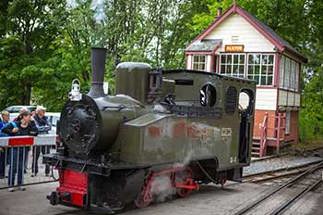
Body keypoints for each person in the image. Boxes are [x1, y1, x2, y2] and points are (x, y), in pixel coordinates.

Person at [2, 110, 38, 192]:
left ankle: (20, 184)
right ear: (23, 117)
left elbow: (36, 132)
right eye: (29, 116)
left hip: (25, 149)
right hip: (15, 149)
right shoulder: (15, 124)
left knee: (21, 167)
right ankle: (10, 185)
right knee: (13, 166)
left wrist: (33, 123)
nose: (30, 118)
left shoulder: (29, 125)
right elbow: (3, 129)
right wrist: (12, 132)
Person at [32, 106, 51, 177]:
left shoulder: (46, 118)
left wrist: (42, 128)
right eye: (43, 111)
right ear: (39, 112)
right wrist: (45, 128)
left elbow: (49, 126)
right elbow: (36, 128)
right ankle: (34, 171)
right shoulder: (34, 118)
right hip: (37, 139)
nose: (44, 112)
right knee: (35, 156)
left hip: (45, 139)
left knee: (47, 155)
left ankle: (47, 172)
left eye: (44, 111)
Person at [0, 111, 10, 179]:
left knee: (5, 160)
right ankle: (1, 173)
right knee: (1, 160)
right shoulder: (0, 124)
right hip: (1, 144)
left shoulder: (9, 124)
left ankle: (3, 173)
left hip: (7, 145)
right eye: (6, 116)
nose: (8, 117)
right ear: (3, 116)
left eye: (8, 116)